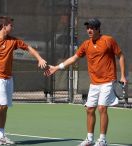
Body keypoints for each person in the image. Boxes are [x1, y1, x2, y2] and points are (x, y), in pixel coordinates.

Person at [44, 18, 127, 146]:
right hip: (94, 83)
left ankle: (102, 140)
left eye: (92, 28)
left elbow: (120, 55)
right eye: (88, 28)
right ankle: (89, 139)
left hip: (108, 81)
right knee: (89, 109)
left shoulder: (108, 40)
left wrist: (122, 76)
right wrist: (56, 67)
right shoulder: (86, 44)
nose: (89, 30)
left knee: (102, 108)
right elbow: (74, 58)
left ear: (98, 29)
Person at [0, 16, 47, 145]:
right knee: (2, 105)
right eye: (11, 25)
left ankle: (0, 136)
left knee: (4, 108)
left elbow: (28, 48)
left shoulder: (13, 41)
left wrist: (39, 58)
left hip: (8, 78)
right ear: (4, 26)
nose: (13, 27)